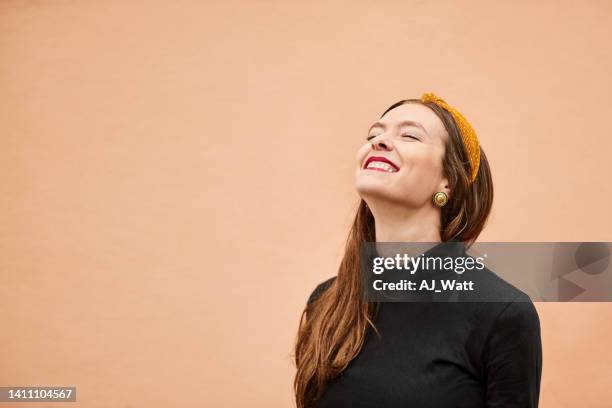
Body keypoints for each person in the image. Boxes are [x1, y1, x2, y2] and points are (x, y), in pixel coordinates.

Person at [292, 93, 543, 408]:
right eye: (373, 134)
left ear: (448, 181)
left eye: (409, 135)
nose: (379, 142)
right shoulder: (326, 302)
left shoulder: (503, 313)